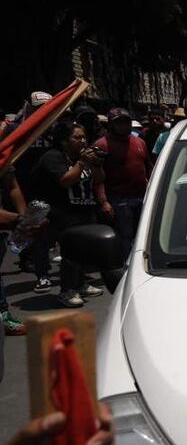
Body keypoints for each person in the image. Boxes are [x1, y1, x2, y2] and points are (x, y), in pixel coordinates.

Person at [33, 122, 105, 307]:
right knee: (71, 253)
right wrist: (82, 162)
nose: (83, 141)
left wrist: (96, 164)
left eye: (83, 137)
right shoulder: (53, 157)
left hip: (85, 210)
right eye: (77, 137)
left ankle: (80, 284)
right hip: (63, 213)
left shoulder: (83, 156)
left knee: (84, 251)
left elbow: (99, 180)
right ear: (64, 141)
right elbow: (65, 181)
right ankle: (67, 290)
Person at [93, 108, 151, 259]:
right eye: (118, 123)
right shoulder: (102, 145)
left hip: (142, 196)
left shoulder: (140, 142)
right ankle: (126, 266)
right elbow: (97, 177)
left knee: (144, 234)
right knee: (125, 236)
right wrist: (104, 201)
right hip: (118, 199)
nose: (123, 126)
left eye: (126, 122)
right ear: (111, 125)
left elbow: (148, 167)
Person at [0, 168, 29, 334]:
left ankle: (3, 315)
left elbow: (12, 186)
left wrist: (25, 218)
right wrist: (18, 219)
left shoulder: (3, 155)